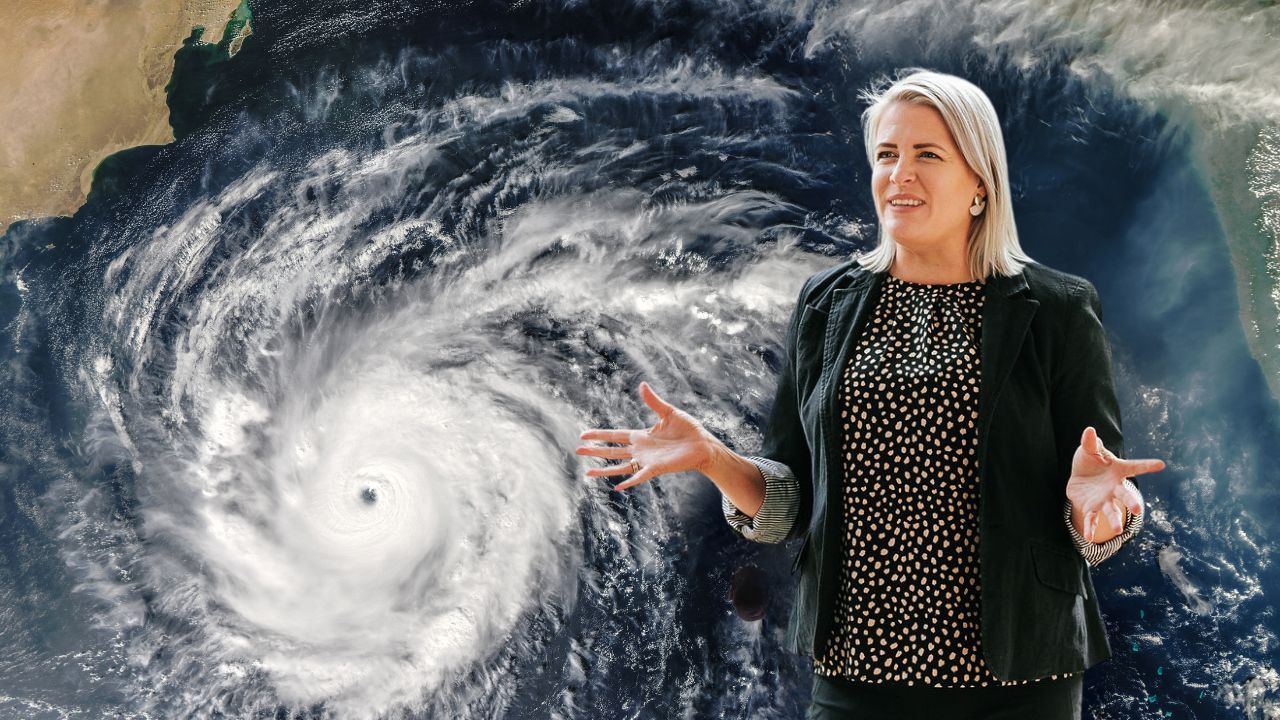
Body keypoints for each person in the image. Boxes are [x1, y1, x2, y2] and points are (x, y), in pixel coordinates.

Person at [575, 68, 1167, 719]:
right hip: (858, 675)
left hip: (1018, 680)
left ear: (979, 181)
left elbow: (1099, 488)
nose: (899, 173)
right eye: (887, 155)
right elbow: (790, 502)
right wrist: (714, 458)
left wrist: (1099, 510)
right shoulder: (828, 304)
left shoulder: (1056, 307)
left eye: (927, 155)